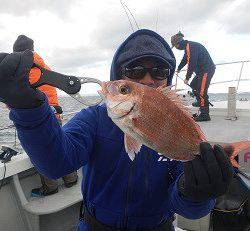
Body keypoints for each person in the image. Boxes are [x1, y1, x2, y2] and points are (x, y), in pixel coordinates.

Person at [0, 29, 233, 230]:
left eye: (159, 71)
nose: (148, 79)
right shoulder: (94, 119)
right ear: (118, 74)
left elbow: (191, 211)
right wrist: (29, 109)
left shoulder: (178, 129)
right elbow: (55, 164)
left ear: (168, 78)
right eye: (134, 71)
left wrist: (196, 193)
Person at [12, 35, 78, 196]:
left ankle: (50, 187)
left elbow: (14, 98)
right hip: (56, 115)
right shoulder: (43, 67)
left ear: (17, 51)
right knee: (60, 146)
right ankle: (71, 179)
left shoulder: (22, 70)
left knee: (41, 152)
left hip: (38, 119)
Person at [171, 31, 216, 122]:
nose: (176, 48)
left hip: (206, 70)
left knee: (201, 92)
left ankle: (205, 115)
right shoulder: (188, 47)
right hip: (201, 72)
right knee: (194, 86)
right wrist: (179, 68)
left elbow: (192, 63)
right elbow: (185, 59)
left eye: (175, 46)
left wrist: (187, 78)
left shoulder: (191, 47)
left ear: (178, 44)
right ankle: (201, 104)